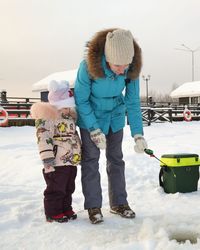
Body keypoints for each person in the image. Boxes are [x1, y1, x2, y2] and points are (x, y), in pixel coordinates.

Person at [74, 28, 148, 224]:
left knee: (116, 159)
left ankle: (119, 203)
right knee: (90, 160)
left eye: (126, 65)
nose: (122, 70)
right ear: (107, 57)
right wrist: (93, 129)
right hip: (91, 117)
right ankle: (93, 206)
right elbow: (81, 101)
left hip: (115, 117)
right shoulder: (88, 67)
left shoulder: (130, 69)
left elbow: (132, 102)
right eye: (117, 65)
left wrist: (138, 134)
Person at [31, 80, 81, 223]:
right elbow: (43, 137)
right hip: (56, 162)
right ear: (57, 105)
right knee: (56, 188)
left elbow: (74, 136)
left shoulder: (69, 118)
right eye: (65, 107)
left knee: (68, 187)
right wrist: (47, 158)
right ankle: (53, 212)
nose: (67, 110)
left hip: (71, 160)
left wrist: (79, 153)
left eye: (69, 107)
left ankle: (65, 208)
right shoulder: (48, 118)